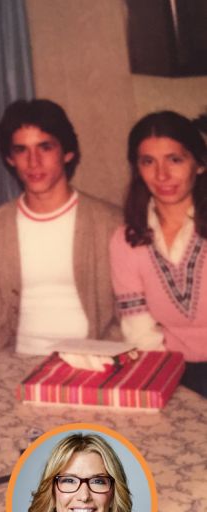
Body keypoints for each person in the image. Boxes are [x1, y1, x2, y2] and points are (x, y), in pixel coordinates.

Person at [0, 99, 121, 354]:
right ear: (10, 158)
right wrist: (13, 378)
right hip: (15, 372)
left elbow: (127, 318)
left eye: (45, 147)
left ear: (67, 152)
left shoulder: (112, 224)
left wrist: (93, 365)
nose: (33, 161)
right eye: (21, 150)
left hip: (95, 368)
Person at [110, 111, 207, 398]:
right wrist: (164, 384)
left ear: (199, 164)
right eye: (148, 162)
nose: (162, 175)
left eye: (175, 160)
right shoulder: (126, 241)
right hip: (169, 371)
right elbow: (139, 330)